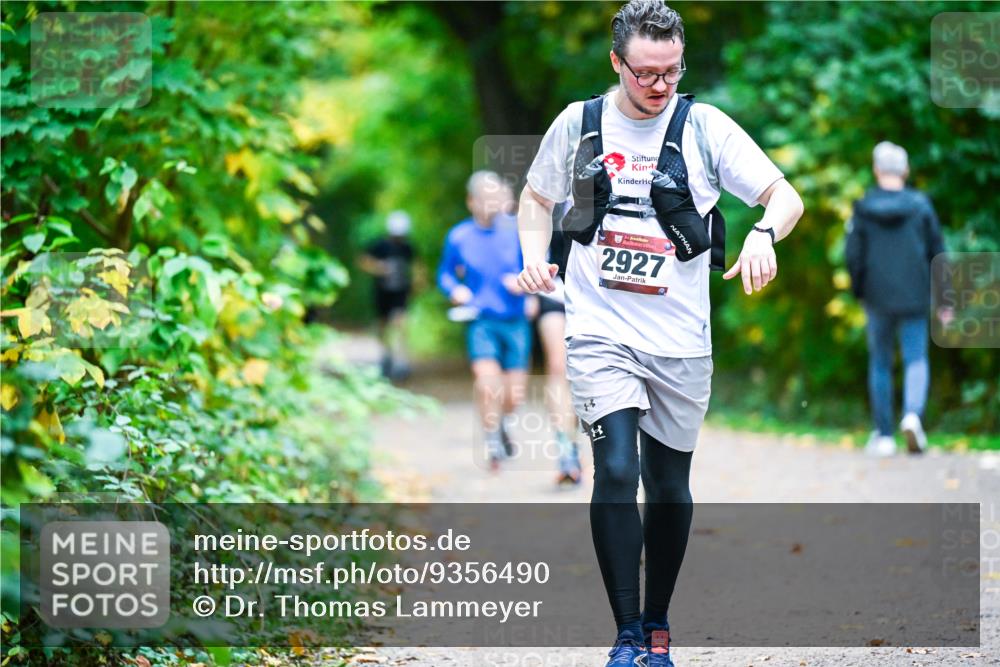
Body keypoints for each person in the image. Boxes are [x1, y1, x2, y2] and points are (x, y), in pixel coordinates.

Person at [516, 1, 804, 664]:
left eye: (670, 71)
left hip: (680, 339)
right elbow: (537, 197)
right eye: (645, 73)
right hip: (598, 330)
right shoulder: (579, 124)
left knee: (669, 484)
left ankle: (657, 624)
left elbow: (783, 196)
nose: (659, 86)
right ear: (617, 63)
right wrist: (534, 256)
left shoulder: (703, 126)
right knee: (616, 468)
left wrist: (764, 233)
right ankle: (624, 633)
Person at [845, 141, 946, 457]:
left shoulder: (862, 208)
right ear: (905, 170)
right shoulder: (921, 206)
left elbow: (853, 256)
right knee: (916, 358)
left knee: (880, 363)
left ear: (877, 170)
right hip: (915, 294)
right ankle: (913, 416)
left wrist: (860, 291)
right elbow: (938, 252)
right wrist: (946, 299)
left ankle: (885, 436)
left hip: (877, 296)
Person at [438, 171, 531, 470]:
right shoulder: (459, 236)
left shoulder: (516, 231)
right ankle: (492, 439)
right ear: (471, 202)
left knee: (514, 394)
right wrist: (456, 290)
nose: (491, 203)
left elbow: (535, 267)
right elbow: (445, 274)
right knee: (487, 381)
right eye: (485, 198)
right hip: (480, 319)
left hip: (515, 319)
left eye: (495, 196)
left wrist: (524, 285)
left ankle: (504, 421)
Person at [358, 210, 415, 380]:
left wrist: (417, 283)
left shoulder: (407, 247)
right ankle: (386, 355)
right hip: (382, 291)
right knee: (383, 324)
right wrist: (378, 268)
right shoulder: (379, 245)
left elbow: (417, 266)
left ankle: (400, 358)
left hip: (401, 291)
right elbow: (363, 260)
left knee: (401, 322)